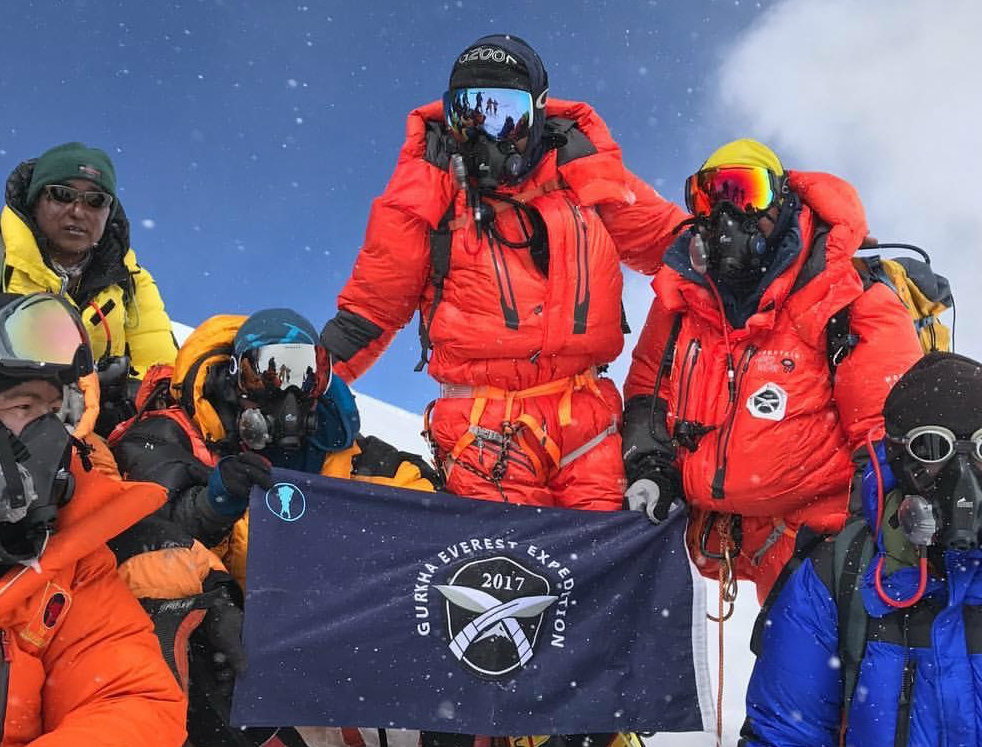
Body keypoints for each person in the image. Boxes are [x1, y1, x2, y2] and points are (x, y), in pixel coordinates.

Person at [320, 33, 687, 510]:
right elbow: (370, 311)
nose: (483, 133)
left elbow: (678, 248)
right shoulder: (426, 191)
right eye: (467, 114)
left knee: (607, 568)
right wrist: (300, 381)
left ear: (537, 111)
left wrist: (786, 238)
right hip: (482, 429)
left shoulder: (585, 174)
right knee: (503, 574)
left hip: (590, 423)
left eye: (503, 113)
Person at [108, 307, 440, 747]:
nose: (285, 394)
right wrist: (214, 504)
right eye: (264, 373)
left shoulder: (353, 456)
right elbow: (142, 533)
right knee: (189, 625)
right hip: (235, 654)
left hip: (328, 648)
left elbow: (435, 522)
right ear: (233, 378)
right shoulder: (173, 437)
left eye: (306, 376)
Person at [622, 138, 923, 602]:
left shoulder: (845, 294)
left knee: (806, 670)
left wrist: (878, 541)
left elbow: (886, 429)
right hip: (722, 535)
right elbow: (648, 388)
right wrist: (651, 466)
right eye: (710, 196)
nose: (727, 214)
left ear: (783, 202)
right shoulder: (682, 295)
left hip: (820, 544)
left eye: (746, 192)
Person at [0, 290, 186, 746]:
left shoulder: (64, 554)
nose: (48, 440)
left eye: (53, 413)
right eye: (22, 407)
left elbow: (132, 700)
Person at [741, 352, 982, 747]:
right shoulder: (840, 574)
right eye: (932, 448)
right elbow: (784, 734)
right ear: (899, 456)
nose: (963, 478)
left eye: (980, 449)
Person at [0, 141, 178, 435]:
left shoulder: (129, 282)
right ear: (35, 201)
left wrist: (121, 396)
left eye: (95, 200)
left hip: (90, 443)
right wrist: (63, 378)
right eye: (61, 195)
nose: (77, 210)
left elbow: (164, 377)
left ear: (108, 212)